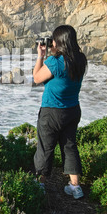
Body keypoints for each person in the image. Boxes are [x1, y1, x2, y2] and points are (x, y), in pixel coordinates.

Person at [32, 25, 87, 199]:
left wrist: (41, 56)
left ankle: (40, 184)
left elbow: (36, 78)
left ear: (59, 41)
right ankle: (75, 187)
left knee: (45, 149)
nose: (52, 42)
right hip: (72, 111)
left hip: (52, 112)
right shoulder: (80, 59)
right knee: (69, 147)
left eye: (54, 39)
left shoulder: (55, 62)